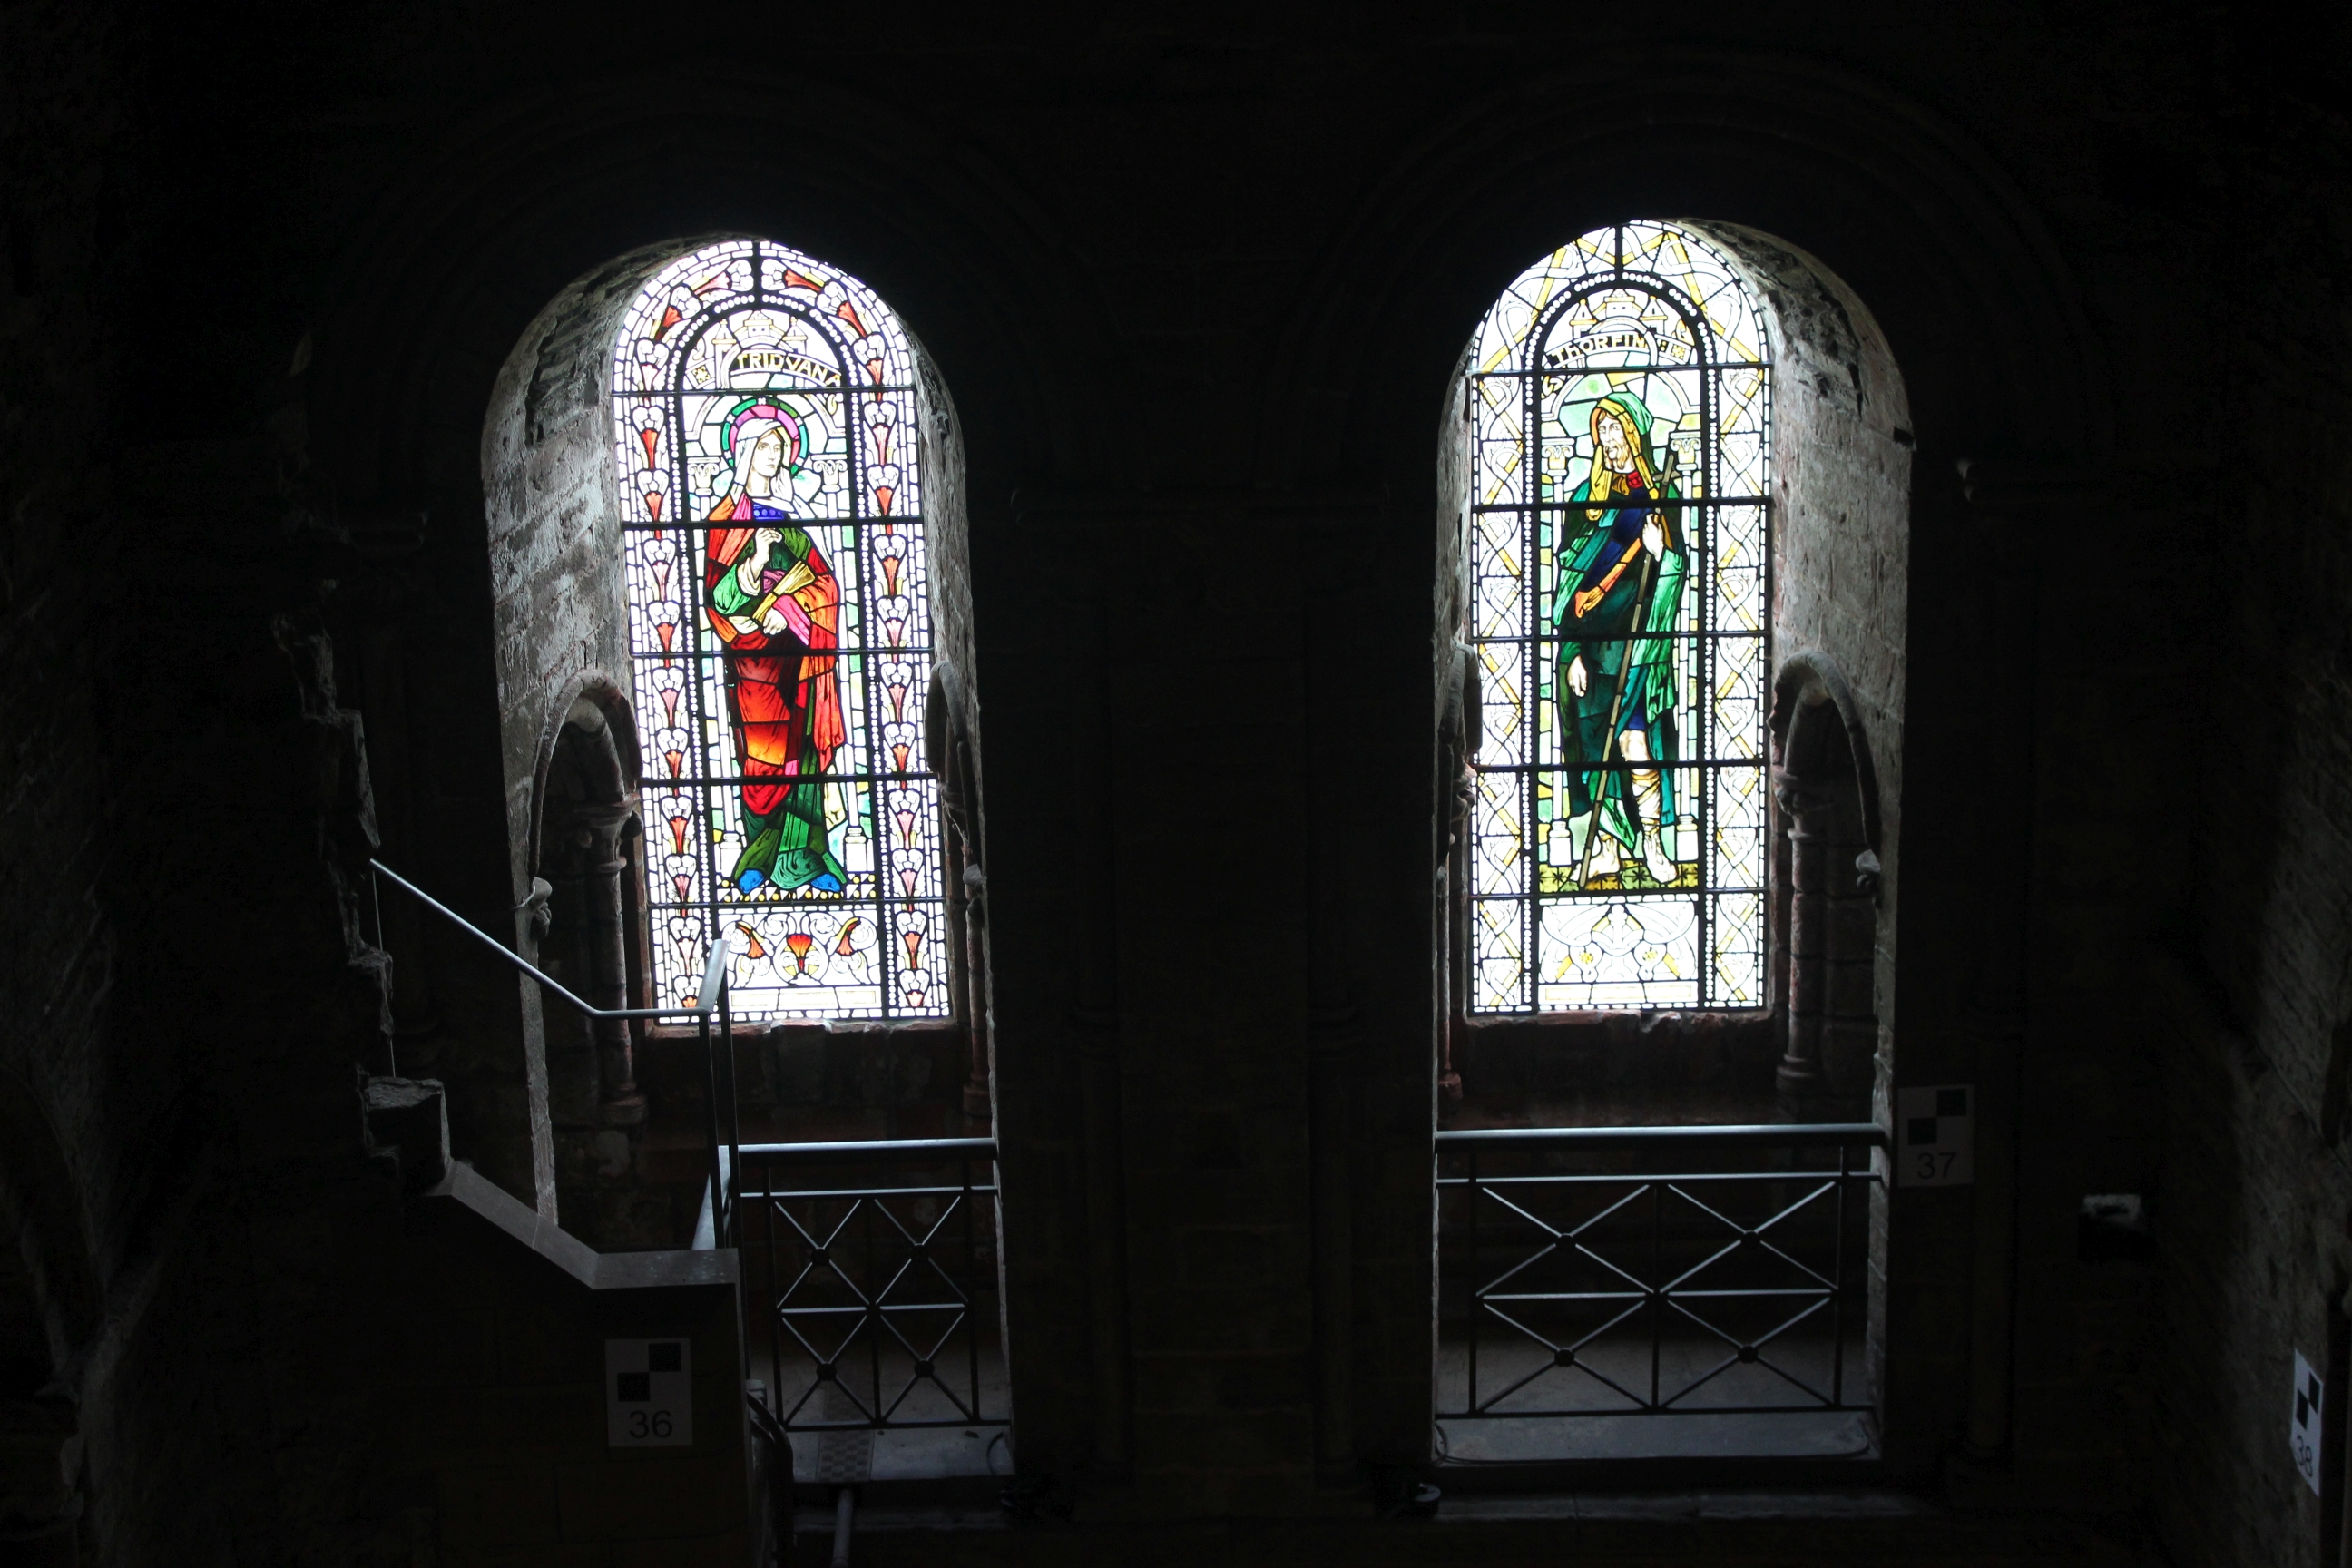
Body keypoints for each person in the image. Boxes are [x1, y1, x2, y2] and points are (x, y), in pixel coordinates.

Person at [701, 402, 848, 893]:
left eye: (780, 447)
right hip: (752, 663)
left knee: (802, 756)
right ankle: (757, 857)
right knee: (761, 761)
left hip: (800, 660)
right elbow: (717, 599)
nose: (773, 455)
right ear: (744, 452)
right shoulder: (724, 521)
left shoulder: (788, 521)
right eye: (764, 445)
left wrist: (792, 604)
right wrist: (754, 564)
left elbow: (827, 585)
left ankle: (804, 857)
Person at [1553, 392, 1687, 888]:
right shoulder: (1584, 503)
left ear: (1634, 434)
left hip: (1639, 643)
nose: (1608, 441)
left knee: (1635, 743)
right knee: (1595, 750)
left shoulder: (1661, 498)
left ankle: (1652, 840)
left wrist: (1660, 551)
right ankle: (1606, 846)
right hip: (1592, 645)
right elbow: (1569, 582)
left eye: (1616, 429)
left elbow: (1676, 571)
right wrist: (1571, 651)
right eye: (1602, 431)